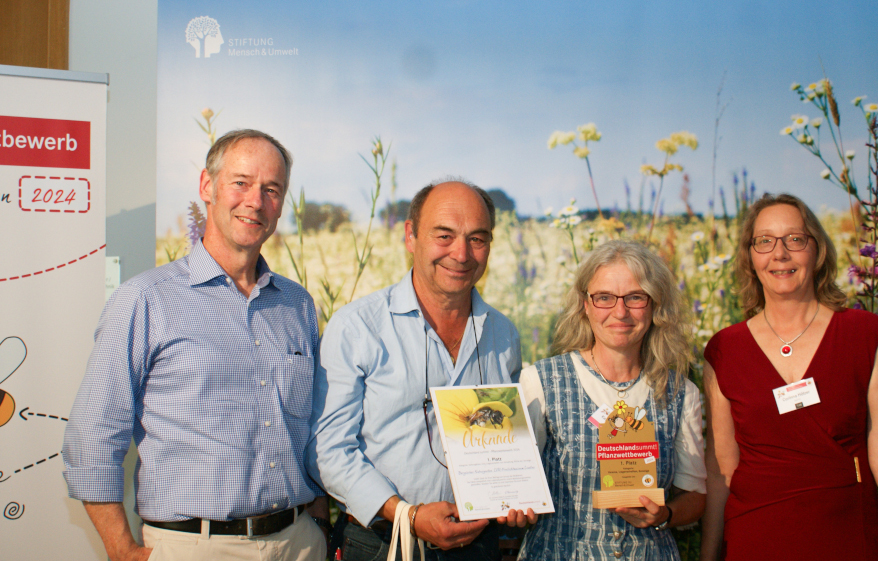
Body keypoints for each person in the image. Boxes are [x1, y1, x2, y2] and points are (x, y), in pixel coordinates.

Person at [63, 130, 328, 561]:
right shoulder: (145, 299)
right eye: (241, 182)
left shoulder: (296, 304)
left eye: (271, 189)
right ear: (207, 186)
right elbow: (93, 434)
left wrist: (318, 520)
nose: (255, 201)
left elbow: (310, 428)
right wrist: (121, 550)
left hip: (298, 543)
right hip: (195, 546)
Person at [700, 193, 878, 560]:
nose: (780, 253)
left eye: (795, 239)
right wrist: (708, 556)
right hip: (755, 541)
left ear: (817, 250)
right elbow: (721, 470)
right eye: (765, 241)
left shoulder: (865, 336)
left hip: (849, 539)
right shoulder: (725, 350)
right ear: (750, 257)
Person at [307, 179, 526, 561]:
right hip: (380, 543)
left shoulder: (503, 334)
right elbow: (328, 452)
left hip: (478, 546)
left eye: (477, 239)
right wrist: (406, 515)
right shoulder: (357, 327)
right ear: (411, 236)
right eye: (444, 236)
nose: (461, 253)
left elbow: (506, 444)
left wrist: (517, 495)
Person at [518, 239, 707, 560]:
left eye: (635, 297)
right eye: (604, 298)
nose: (620, 312)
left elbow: (695, 497)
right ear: (585, 304)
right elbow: (518, 482)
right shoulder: (540, 381)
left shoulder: (681, 392)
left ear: (654, 304)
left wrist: (665, 515)